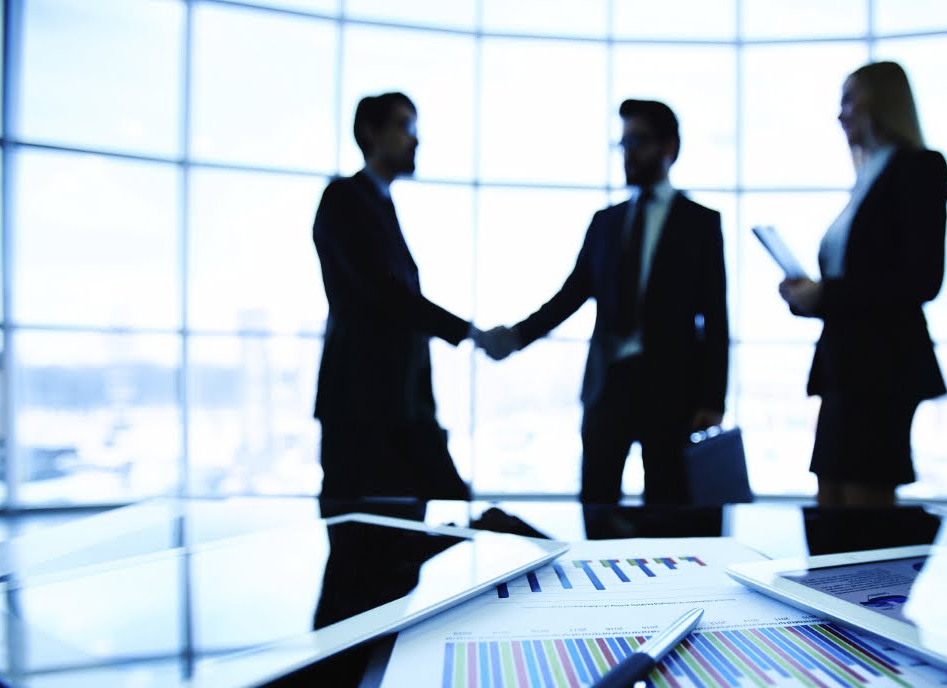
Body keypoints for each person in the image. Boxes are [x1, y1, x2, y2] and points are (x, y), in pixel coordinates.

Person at [481, 99, 729, 505]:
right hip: (607, 385)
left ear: (670, 148)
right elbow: (571, 295)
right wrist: (515, 338)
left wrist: (713, 400)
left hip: (671, 389)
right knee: (596, 507)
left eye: (639, 141)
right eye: (624, 142)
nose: (629, 152)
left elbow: (716, 316)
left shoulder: (700, 223)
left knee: (669, 514)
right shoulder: (605, 222)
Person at [778, 61, 947, 507]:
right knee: (831, 508)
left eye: (849, 100)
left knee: (860, 522)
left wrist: (825, 295)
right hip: (844, 367)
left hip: (882, 369)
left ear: (883, 102)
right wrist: (811, 296)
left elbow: (921, 279)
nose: (841, 115)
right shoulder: (867, 178)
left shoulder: (919, 167)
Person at [312, 92, 485, 516]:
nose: (416, 140)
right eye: (405, 127)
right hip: (363, 407)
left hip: (402, 406)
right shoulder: (344, 198)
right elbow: (388, 294)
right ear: (371, 132)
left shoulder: (379, 204)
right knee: (366, 550)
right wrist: (469, 332)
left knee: (425, 529)